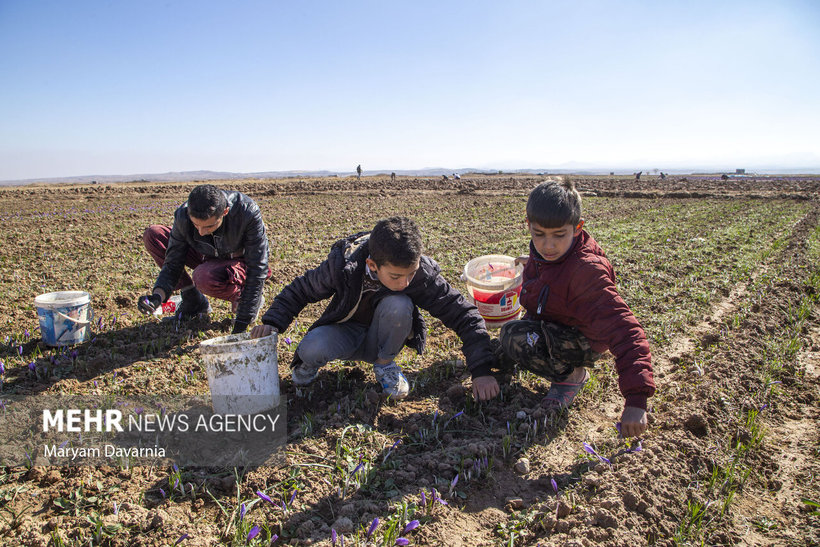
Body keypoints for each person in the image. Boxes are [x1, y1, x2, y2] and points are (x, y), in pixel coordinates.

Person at [250, 216, 498, 400]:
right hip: (343, 334)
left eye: (411, 274)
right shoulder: (344, 265)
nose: (405, 283)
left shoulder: (422, 276)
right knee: (312, 348)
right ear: (372, 264)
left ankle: (385, 365)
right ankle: (308, 365)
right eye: (396, 276)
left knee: (400, 303)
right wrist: (273, 321)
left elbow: (463, 314)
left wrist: (482, 370)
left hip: (382, 340)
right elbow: (301, 289)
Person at [490, 179, 655, 437]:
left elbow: (628, 332)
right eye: (539, 234)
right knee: (497, 353)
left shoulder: (586, 272)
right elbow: (548, 274)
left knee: (515, 336)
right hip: (556, 325)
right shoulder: (544, 256)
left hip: (582, 341)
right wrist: (532, 261)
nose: (548, 246)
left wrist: (636, 401)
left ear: (578, 228)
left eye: (559, 235)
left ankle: (571, 376)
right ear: (529, 226)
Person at [138, 184, 270, 334]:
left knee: (203, 276)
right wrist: (157, 296)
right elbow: (173, 262)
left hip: (239, 264)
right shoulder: (183, 216)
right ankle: (193, 300)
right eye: (196, 225)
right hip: (205, 255)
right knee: (154, 235)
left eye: (209, 227)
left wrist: (242, 321)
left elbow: (257, 267)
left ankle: (241, 297)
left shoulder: (246, 212)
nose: (201, 232)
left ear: (225, 212)